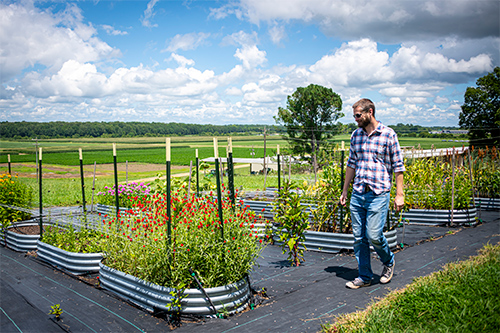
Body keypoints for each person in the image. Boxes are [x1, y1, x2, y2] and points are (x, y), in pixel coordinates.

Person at [339, 98, 405, 289]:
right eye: (354, 116)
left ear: (370, 112)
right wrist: (345, 190)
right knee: (359, 238)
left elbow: (398, 167)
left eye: (358, 115)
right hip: (359, 193)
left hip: (379, 194)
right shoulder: (356, 136)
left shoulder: (388, 135)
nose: (356, 119)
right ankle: (365, 276)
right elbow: (351, 164)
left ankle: (389, 260)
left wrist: (399, 194)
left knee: (374, 235)